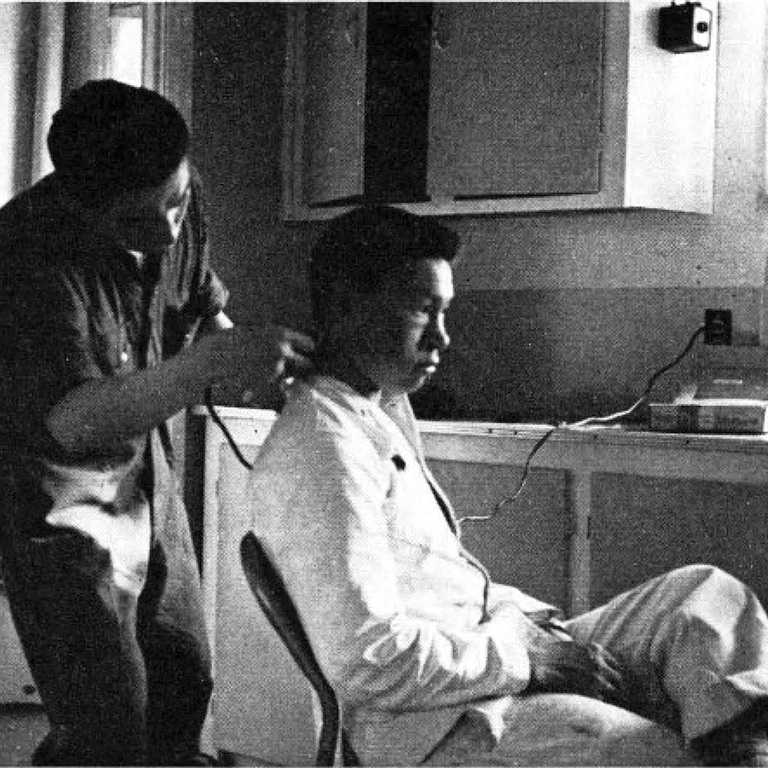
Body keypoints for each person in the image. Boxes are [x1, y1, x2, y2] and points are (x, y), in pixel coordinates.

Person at [246, 204, 768, 767]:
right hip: (434, 725)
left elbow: (442, 585)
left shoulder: (376, 410)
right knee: (645, 750)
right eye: (425, 312)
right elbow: (367, 660)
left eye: (445, 312)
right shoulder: (323, 448)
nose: (442, 339)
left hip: (491, 659)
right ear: (349, 305)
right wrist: (531, 661)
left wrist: (545, 638)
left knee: (707, 600)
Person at [0, 79, 313, 766]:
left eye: (176, 203)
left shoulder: (176, 199)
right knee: (106, 715)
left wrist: (258, 365)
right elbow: (73, 424)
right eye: (139, 223)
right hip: (54, 492)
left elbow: (200, 306)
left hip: (145, 468)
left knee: (182, 677)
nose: (168, 230)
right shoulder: (26, 253)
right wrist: (210, 362)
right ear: (82, 204)